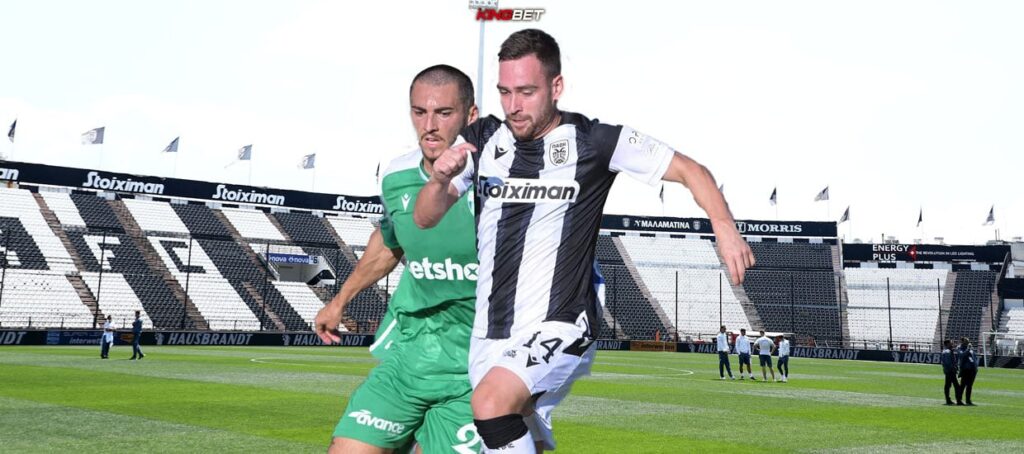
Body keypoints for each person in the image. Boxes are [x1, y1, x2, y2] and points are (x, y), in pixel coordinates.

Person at [415, 29, 755, 452]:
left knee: (491, 405)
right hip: (490, 330)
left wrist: (724, 226)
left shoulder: (594, 141)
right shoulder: (482, 139)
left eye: (526, 92)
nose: (513, 106)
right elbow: (425, 217)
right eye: (505, 92)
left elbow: (690, 170)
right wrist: (438, 180)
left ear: (556, 87)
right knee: (520, 434)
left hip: (560, 320)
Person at [315, 64, 482, 454]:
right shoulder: (396, 176)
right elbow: (390, 243)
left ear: (470, 116)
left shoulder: (498, 184)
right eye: (419, 112)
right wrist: (340, 300)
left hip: (476, 367)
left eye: (444, 113)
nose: (430, 125)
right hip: (409, 354)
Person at [940, 339, 962, 405]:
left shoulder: (947, 351)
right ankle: (958, 400)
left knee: (948, 385)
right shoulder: (947, 352)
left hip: (949, 371)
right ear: (947, 344)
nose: (952, 344)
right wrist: (954, 368)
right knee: (956, 386)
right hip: (950, 371)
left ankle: (948, 400)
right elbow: (948, 363)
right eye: (951, 343)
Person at [958, 337, 978, 406]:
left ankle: (968, 400)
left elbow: (974, 358)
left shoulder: (971, 349)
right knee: (962, 385)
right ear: (962, 342)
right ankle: (959, 400)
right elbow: (962, 355)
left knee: (969, 386)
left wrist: (976, 367)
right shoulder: (960, 348)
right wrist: (968, 349)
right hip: (965, 369)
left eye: (968, 341)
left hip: (972, 370)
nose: (967, 342)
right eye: (966, 341)